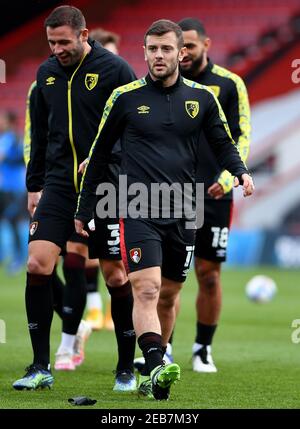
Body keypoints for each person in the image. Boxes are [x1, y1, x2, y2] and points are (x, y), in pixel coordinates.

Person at [74, 19, 254, 400]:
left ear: (181, 52)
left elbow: (224, 142)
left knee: (170, 295)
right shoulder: (124, 97)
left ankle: (158, 360)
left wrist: (239, 171)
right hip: (136, 206)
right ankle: (154, 365)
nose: (159, 56)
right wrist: (84, 207)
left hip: (186, 208)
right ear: (144, 52)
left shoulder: (203, 99)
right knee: (147, 288)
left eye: (167, 49)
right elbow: (99, 153)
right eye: (152, 49)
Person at [13, 5, 136, 391]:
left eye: (64, 42)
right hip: (58, 186)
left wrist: (105, 162)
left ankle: (126, 368)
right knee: (37, 264)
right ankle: (39, 366)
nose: (57, 49)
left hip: (105, 188)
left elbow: (136, 131)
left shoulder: (116, 72)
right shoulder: (45, 73)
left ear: (84, 36)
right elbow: (40, 133)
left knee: (115, 274)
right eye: (51, 42)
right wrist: (34, 185)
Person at [173, 17, 251, 373]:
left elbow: (242, 135)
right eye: (179, 45)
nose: (184, 52)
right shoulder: (165, 83)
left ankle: (202, 349)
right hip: (169, 191)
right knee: (165, 276)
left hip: (213, 192)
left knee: (209, 274)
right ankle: (162, 350)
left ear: (206, 43)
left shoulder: (229, 84)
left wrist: (227, 176)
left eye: (189, 44)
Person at [0, 111, 26, 273]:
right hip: (4, 188)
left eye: (2, 119)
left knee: (16, 221)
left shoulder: (15, 139)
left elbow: (22, 159)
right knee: (7, 221)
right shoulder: (4, 138)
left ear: (9, 121)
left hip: (16, 188)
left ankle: (20, 258)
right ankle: (6, 256)